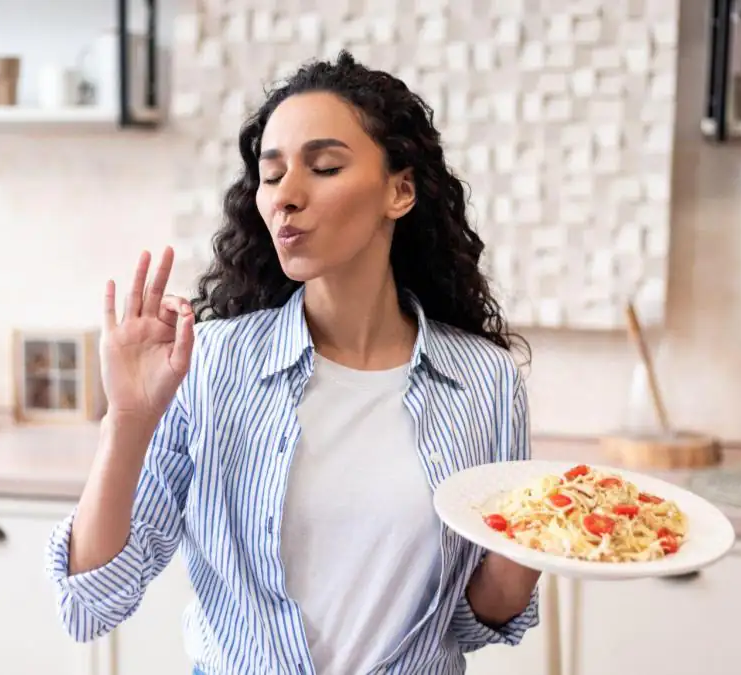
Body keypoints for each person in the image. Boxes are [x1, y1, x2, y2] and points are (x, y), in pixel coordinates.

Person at [45, 50, 542, 675]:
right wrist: (127, 420)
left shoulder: (483, 382)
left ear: (400, 190)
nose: (287, 197)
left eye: (326, 166)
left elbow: (474, 622)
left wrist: (540, 536)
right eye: (272, 176)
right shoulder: (210, 364)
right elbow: (90, 605)